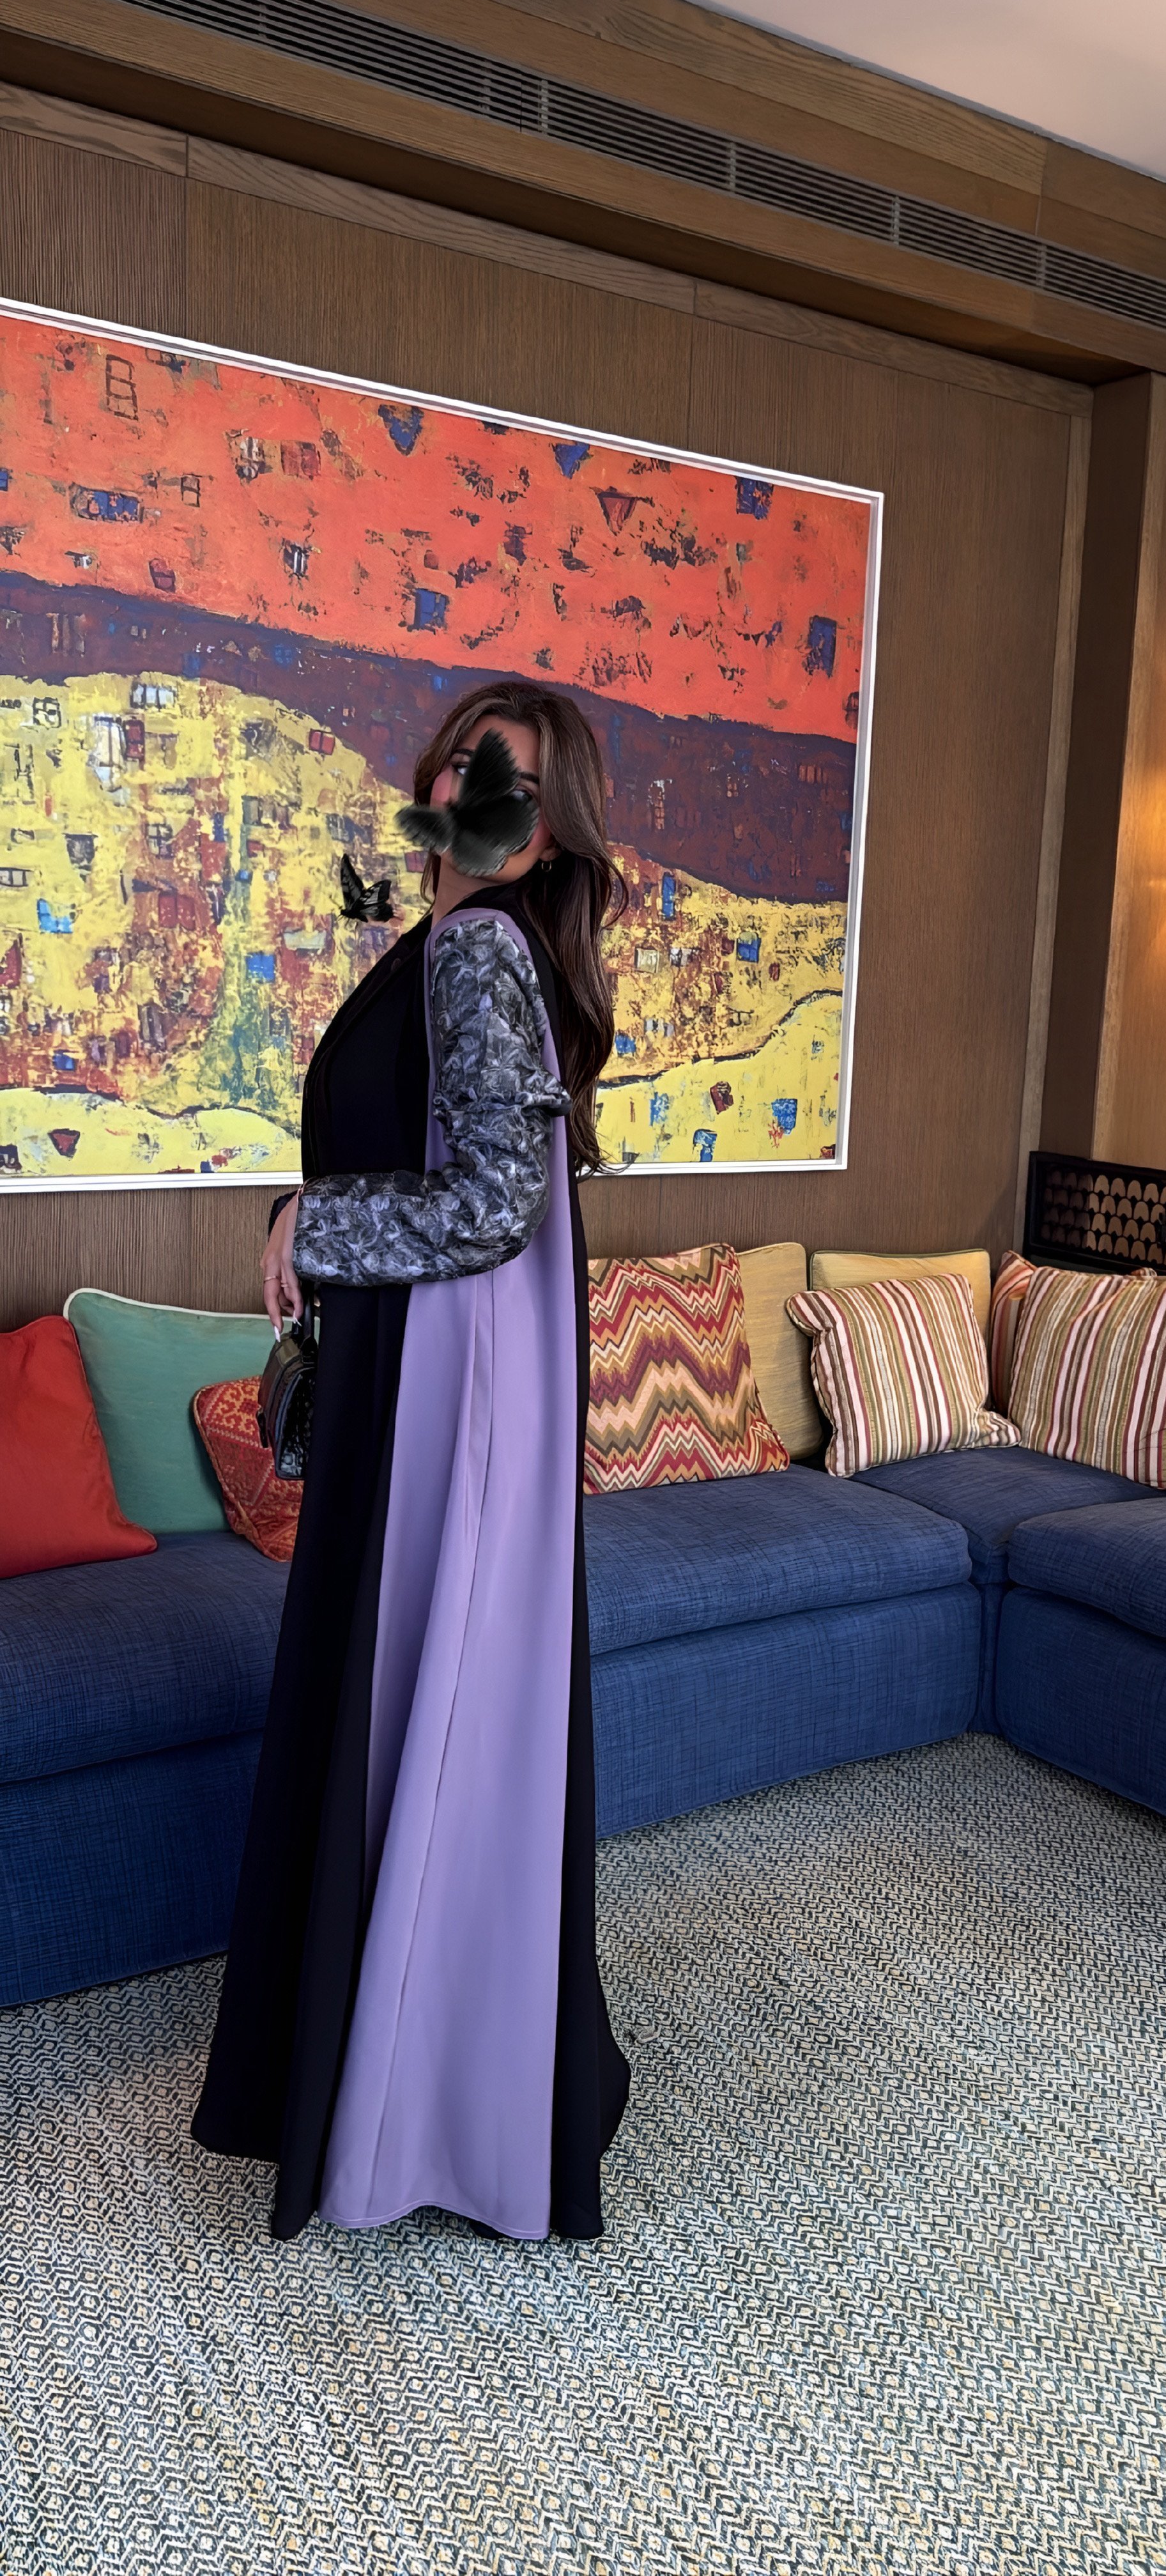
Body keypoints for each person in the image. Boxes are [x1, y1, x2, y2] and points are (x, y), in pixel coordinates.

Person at [192, 679, 631, 2244]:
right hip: (430, 1373)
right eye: (456, 760)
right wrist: (309, 1214)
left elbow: (491, 1203)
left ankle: (420, 2104)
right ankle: (387, 2071)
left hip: (449, 1385)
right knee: (414, 1712)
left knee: (421, 1708)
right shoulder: (443, 943)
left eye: (502, 776)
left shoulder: (479, 949)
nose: (464, 786)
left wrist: (313, 1222)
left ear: (544, 826)